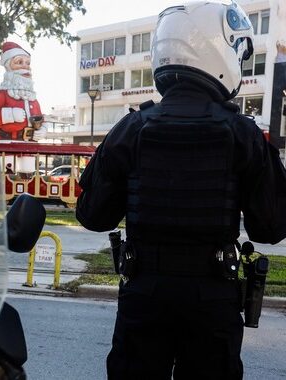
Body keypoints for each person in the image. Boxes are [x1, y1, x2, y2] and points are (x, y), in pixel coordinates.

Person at [76, 2, 286, 379]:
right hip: (212, 296)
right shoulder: (244, 134)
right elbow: (270, 228)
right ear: (220, 48)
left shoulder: (131, 127)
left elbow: (92, 216)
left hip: (144, 292)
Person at [0, 41, 46, 141]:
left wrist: (42, 129)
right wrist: (11, 114)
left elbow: (40, 118)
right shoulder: (2, 95)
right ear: (8, 66)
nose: (25, 67)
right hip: (8, 144)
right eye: (19, 62)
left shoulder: (33, 99)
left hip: (29, 146)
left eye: (28, 63)